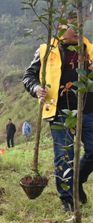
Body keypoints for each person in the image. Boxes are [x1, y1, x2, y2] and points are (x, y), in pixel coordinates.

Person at [23, 12, 91, 212]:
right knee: (64, 155)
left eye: (81, 26)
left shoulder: (90, 50)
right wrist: (36, 88)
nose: (78, 31)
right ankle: (68, 199)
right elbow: (29, 76)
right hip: (61, 110)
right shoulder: (46, 50)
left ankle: (77, 180)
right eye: (73, 26)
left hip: (89, 110)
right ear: (61, 28)